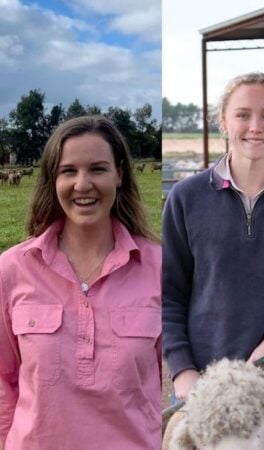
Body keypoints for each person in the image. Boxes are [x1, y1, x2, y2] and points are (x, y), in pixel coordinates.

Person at [162, 72, 264, 401]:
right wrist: (183, 372)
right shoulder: (185, 198)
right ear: (223, 121)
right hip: (203, 384)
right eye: (242, 115)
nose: (255, 127)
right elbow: (167, 295)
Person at [0, 116, 161, 449]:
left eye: (98, 169)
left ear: (119, 174)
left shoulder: (158, 267)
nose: (83, 184)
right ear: (52, 179)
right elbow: (2, 380)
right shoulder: (11, 269)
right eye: (68, 171)